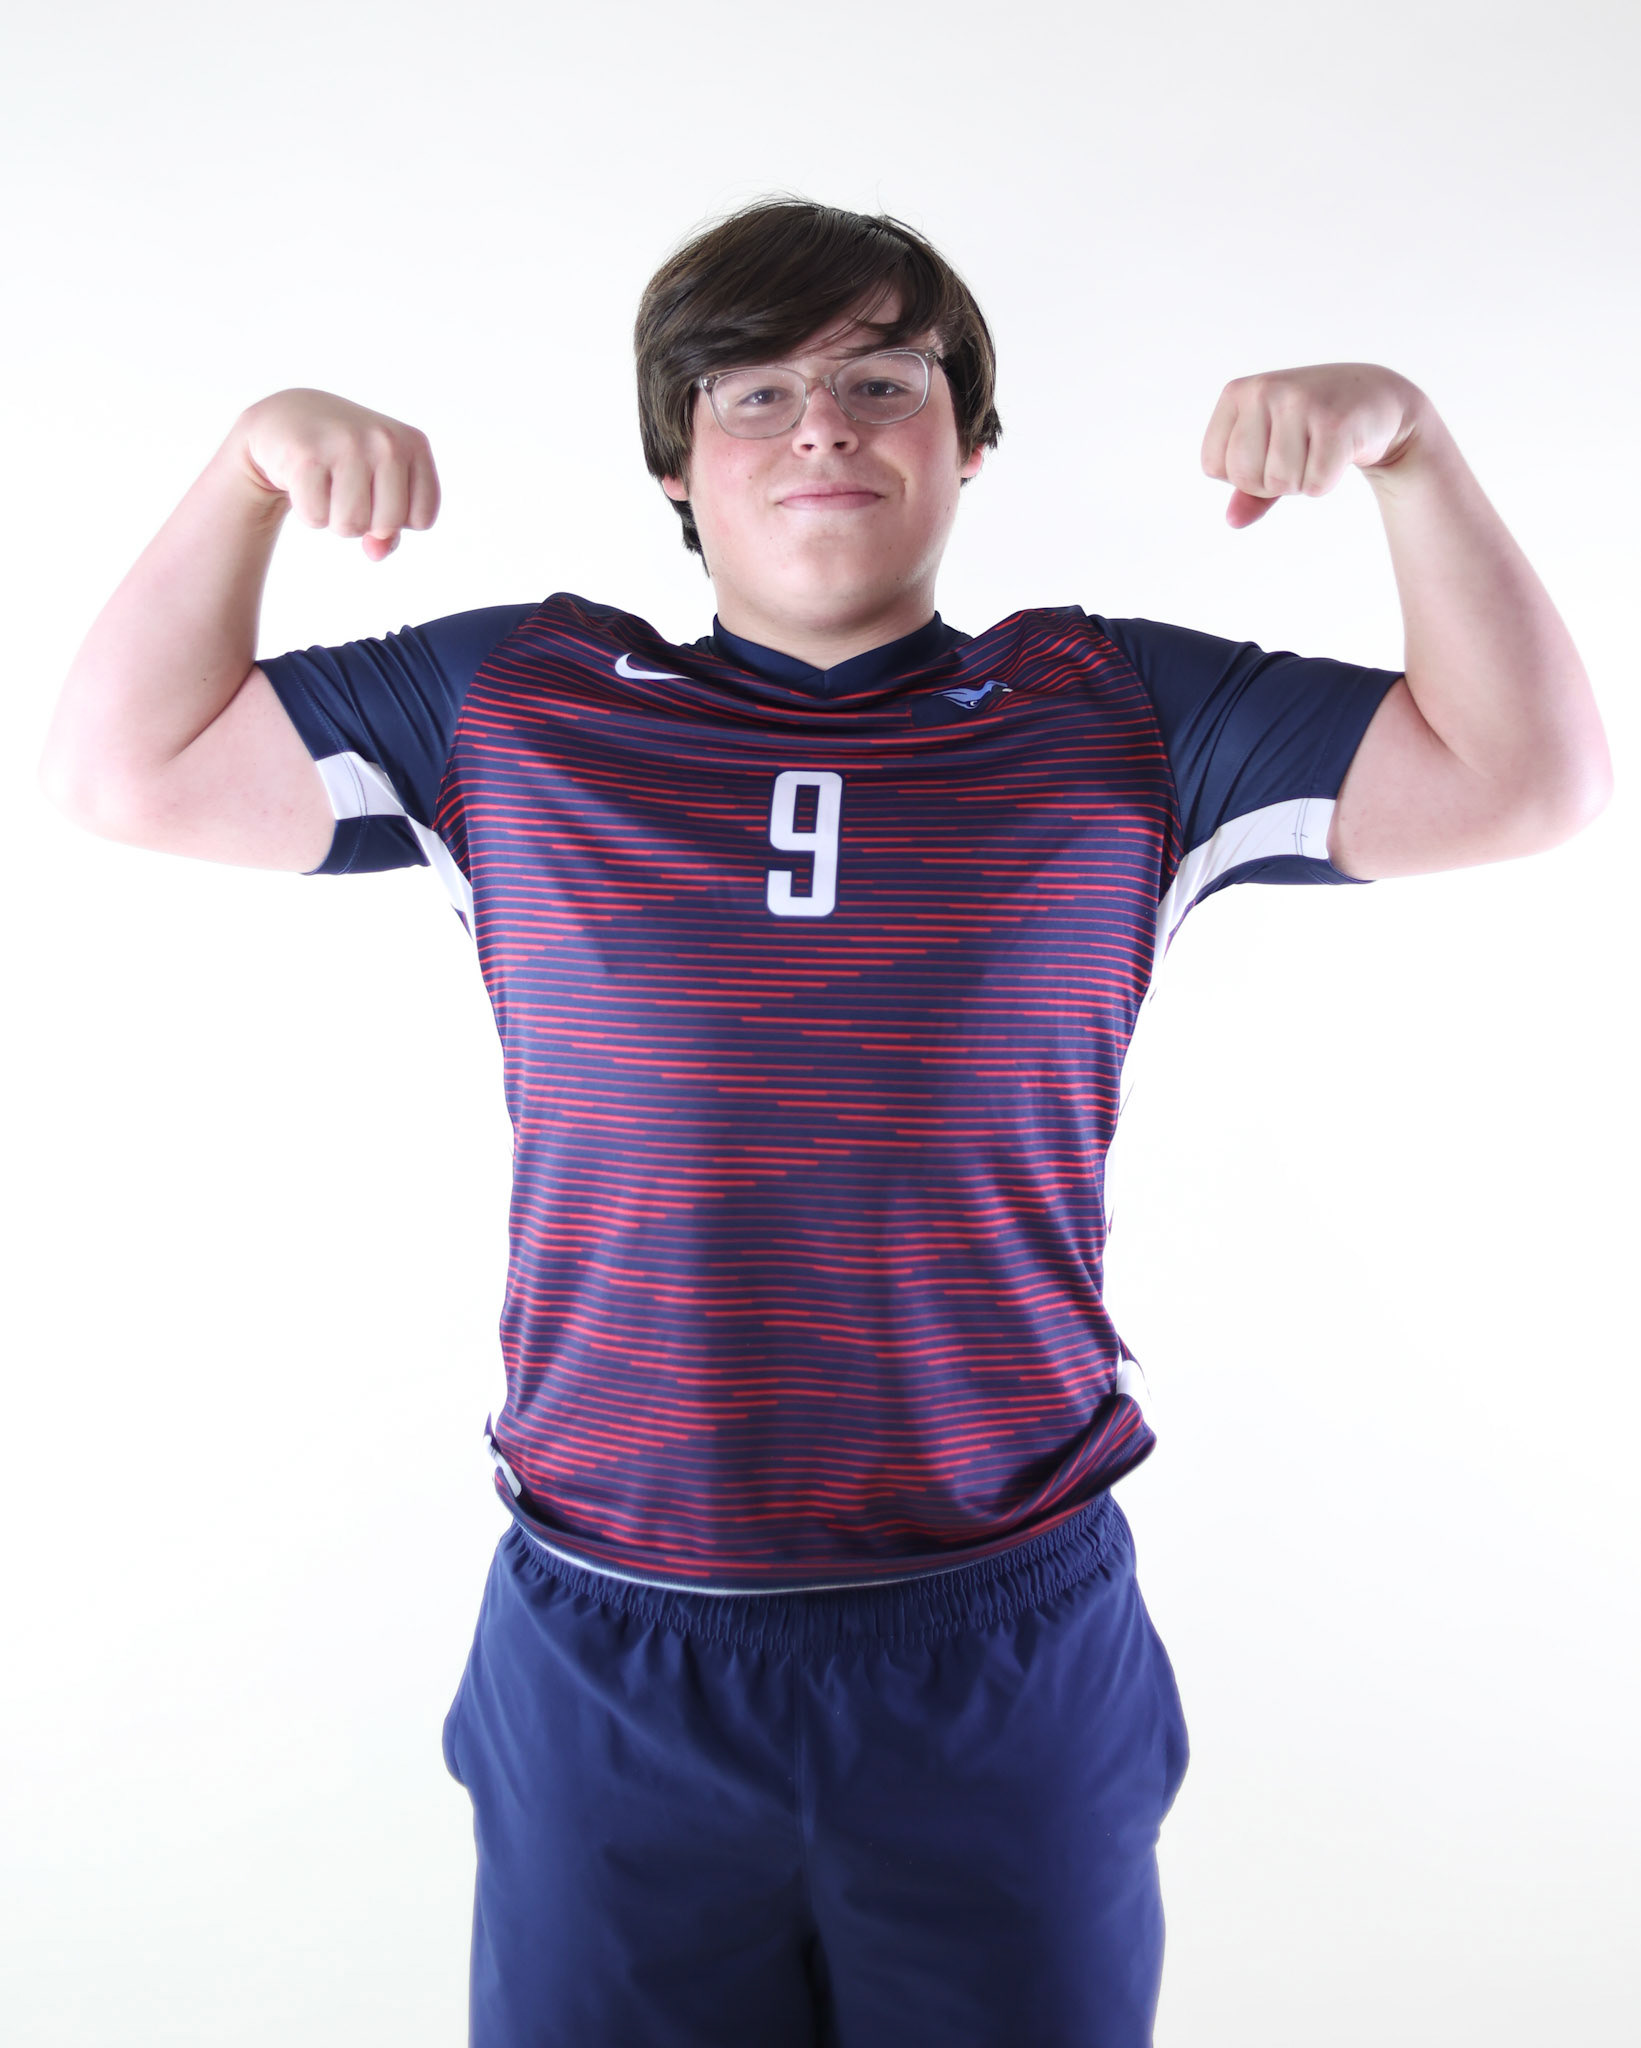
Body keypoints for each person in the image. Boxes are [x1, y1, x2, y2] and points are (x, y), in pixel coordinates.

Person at [39, 199, 1612, 2047]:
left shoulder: (1109, 712)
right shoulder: (514, 706)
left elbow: (1524, 780)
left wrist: (1408, 454)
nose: (820, 426)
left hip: (996, 1635)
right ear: (676, 467)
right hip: (613, 1628)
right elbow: (119, 767)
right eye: (754, 389)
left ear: (965, 439)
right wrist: (245, 469)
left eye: (882, 380)